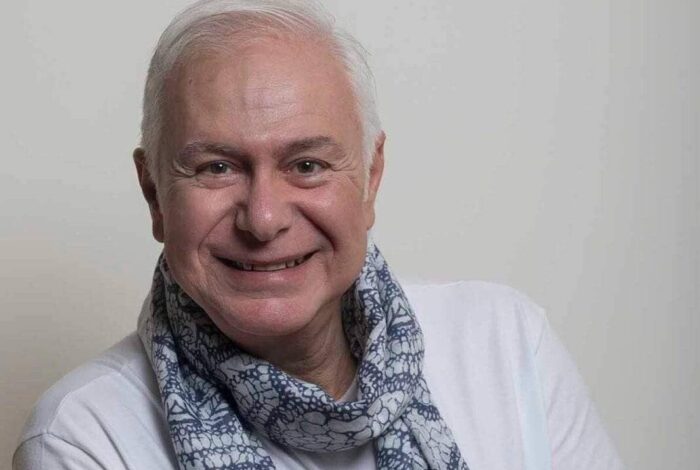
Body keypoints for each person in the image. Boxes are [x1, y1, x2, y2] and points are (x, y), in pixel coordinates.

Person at [13, 0, 625, 469]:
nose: (264, 219)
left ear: (370, 180)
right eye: (217, 168)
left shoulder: (507, 346)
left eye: (307, 165)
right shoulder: (83, 436)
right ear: (154, 194)